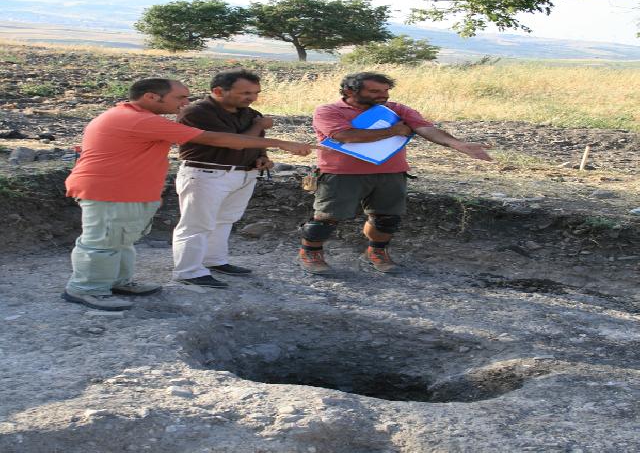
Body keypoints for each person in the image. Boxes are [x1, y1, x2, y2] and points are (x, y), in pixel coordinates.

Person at [64, 77, 312, 311]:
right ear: (151, 97)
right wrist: (280, 143)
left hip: (130, 191)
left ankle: (117, 282)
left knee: (121, 239)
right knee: (103, 242)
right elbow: (217, 139)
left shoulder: (139, 117)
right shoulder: (138, 120)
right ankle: (87, 289)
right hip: (110, 190)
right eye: (180, 97)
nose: (185, 102)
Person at [298, 71, 492, 275]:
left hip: (391, 172)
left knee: (386, 219)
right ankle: (310, 253)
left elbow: (425, 128)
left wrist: (457, 144)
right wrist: (394, 130)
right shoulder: (328, 111)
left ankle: (376, 253)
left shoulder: (396, 109)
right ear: (349, 91)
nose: (383, 95)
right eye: (374, 91)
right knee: (326, 219)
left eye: (386, 90)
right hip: (341, 173)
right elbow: (345, 136)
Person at [171, 69, 274, 288]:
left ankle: (214, 260)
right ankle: (188, 271)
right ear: (218, 91)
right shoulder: (196, 112)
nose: (252, 98)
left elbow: (256, 142)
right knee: (196, 224)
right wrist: (258, 125)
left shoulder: (249, 113)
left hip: (242, 174)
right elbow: (234, 142)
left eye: (255, 92)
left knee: (225, 220)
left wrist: (262, 157)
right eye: (245, 93)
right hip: (206, 174)